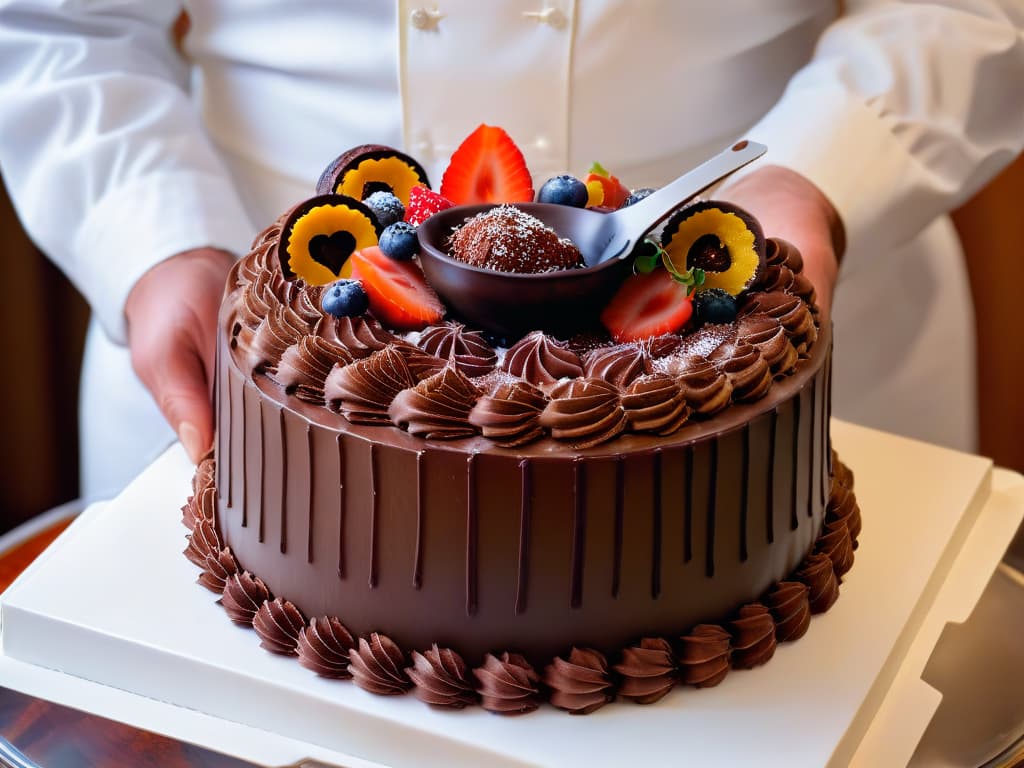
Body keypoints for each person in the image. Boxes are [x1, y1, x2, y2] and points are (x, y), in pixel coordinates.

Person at [0, 1, 1021, 501]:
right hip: (262, 339)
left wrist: (814, 175)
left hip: (752, 292)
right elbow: (57, 20)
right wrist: (155, 241)